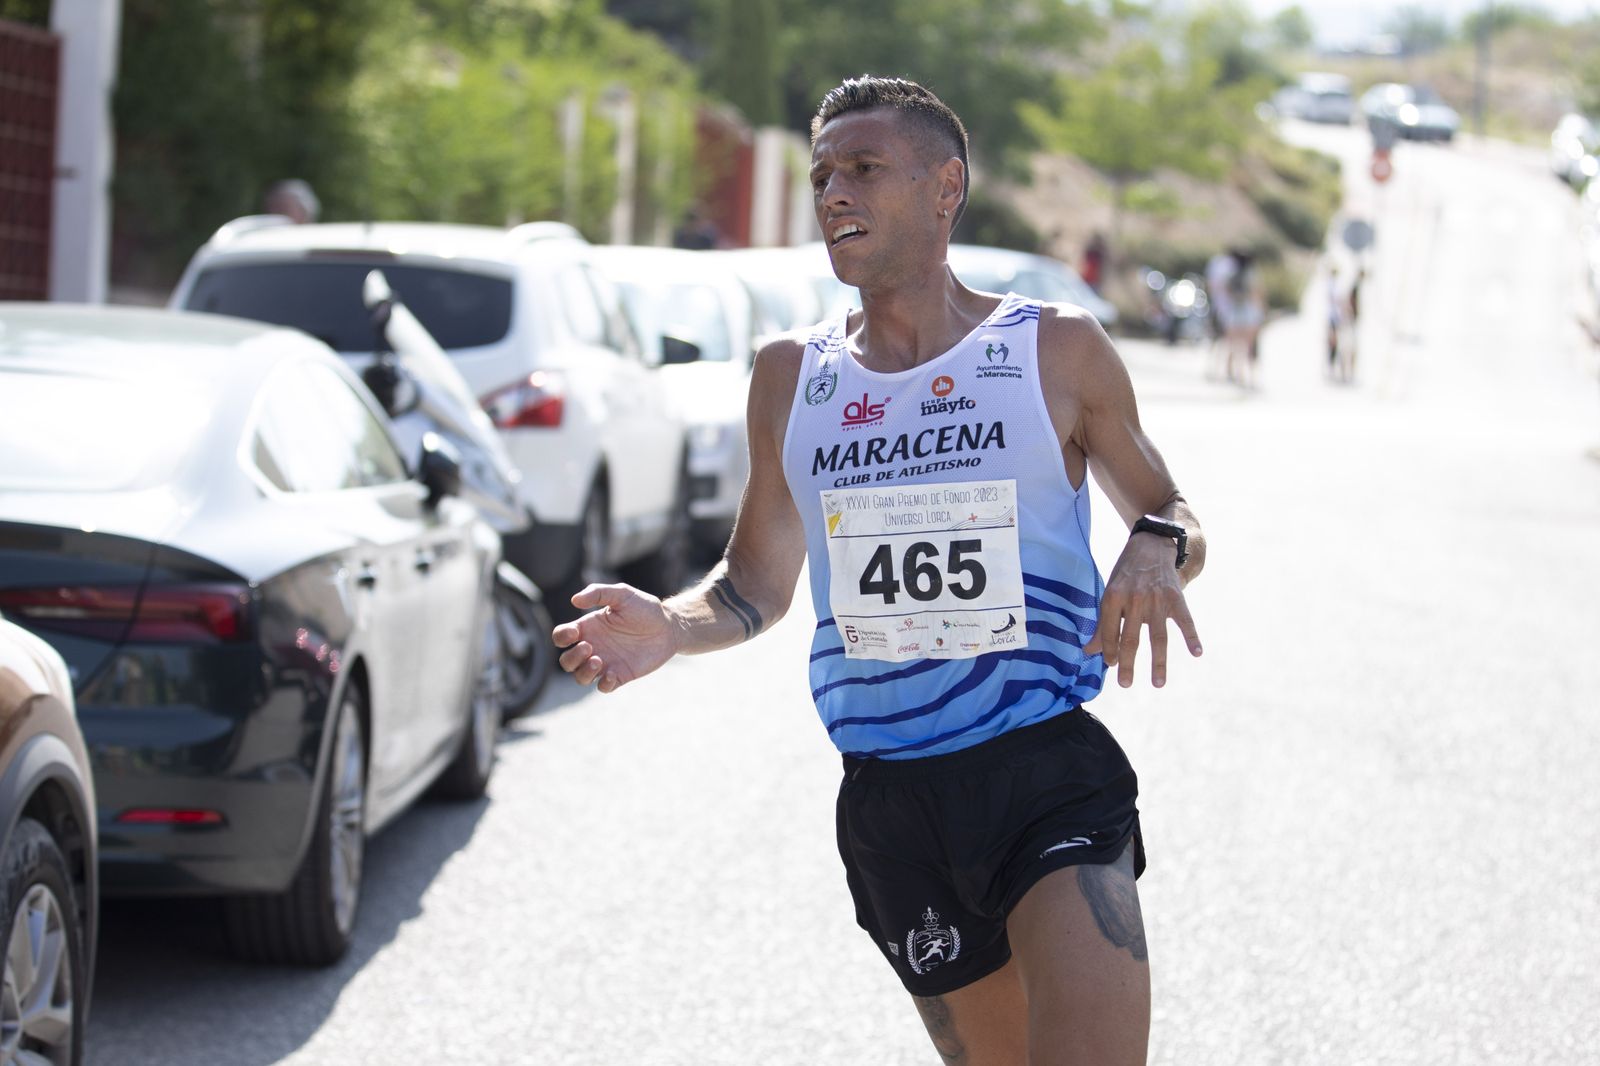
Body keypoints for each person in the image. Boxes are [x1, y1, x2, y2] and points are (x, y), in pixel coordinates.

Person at [554, 76, 1206, 1065]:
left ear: (947, 186)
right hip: (891, 805)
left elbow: (1170, 511)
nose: (833, 194)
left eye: (863, 168)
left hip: (1042, 770)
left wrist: (1155, 548)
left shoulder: (1052, 350)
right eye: (822, 175)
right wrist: (673, 626)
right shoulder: (790, 374)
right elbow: (752, 584)